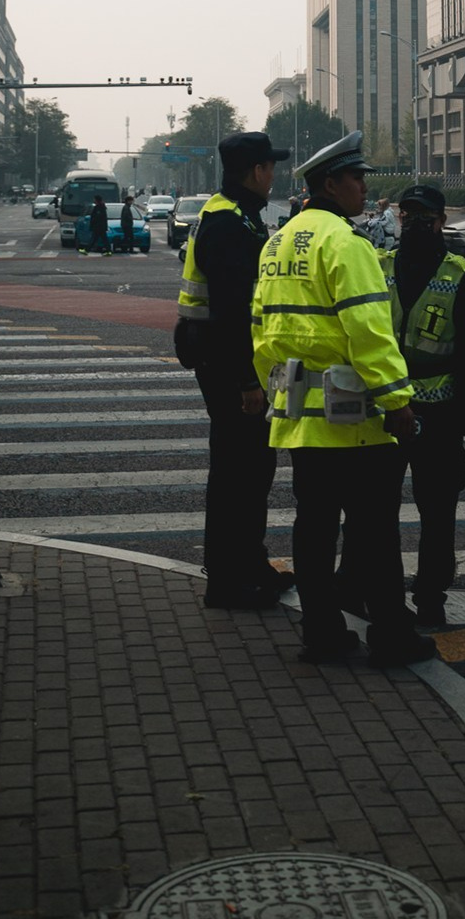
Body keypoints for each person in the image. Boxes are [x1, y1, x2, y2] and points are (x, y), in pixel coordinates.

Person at [252, 131, 434, 667]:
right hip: (353, 417)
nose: (363, 188)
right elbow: (369, 333)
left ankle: (323, 633)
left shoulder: (277, 242)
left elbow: (260, 328)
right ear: (330, 184)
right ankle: (393, 636)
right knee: (375, 532)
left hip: (300, 417)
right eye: (356, 178)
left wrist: (273, 389)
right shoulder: (344, 244)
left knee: (312, 529)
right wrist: (398, 400)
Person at [341, 182, 465, 628]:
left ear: (441, 222)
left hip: (439, 416)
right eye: (408, 217)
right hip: (384, 410)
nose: (416, 224)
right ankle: (360, 590)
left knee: (438, 512)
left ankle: (430, 598)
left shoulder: (462, 275)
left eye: (425, 217)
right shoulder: (378, 266)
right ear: (399, 220)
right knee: (371, 510)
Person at [175, 130, 295, 608]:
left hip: (224, 359)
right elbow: (230, 313)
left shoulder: (233, 214)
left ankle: (250, 564)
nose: (275, 174)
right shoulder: (228, 223)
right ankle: (227, 582)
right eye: (271, 166)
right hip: (227, 365)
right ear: (257, 171)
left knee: (251, 469)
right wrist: (247, 381)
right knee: (235, 474)